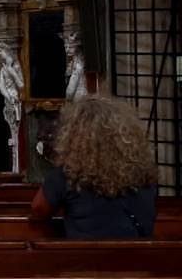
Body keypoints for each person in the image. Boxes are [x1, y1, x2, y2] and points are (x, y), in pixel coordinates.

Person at [32, 95, 157, 238]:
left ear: (73, 134)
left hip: (87, 252)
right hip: (139, 251)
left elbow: (39, 209)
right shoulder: (141, 171)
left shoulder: (67, 173)